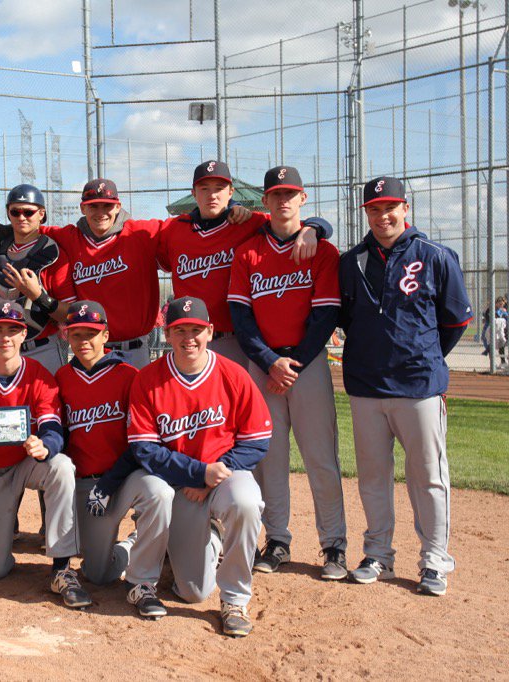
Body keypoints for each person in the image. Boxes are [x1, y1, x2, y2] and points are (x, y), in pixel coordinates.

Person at [95, 296, 271, 637]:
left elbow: (257, 439)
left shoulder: (233, 375)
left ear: (210, 331)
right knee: (193, 592)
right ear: (167, 333)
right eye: (179, 330)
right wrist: (196, 473)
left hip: (223, 476)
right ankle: (187, 543)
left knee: (246, 502)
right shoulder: (149, 380)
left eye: (195, 329)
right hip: (179, 484)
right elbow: (144, 449)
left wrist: (213, 473)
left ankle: (235, 599)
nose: (188, 337)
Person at [338, 176, 472, 597]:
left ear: (406, 208)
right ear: (366, 213)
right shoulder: (351, 260)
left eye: (390, 207)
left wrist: (425, 355)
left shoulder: (435, 256)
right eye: (375, 209)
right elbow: (346, 318)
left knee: (428, 477)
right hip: (365, 386)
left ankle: (434, 560)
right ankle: (378, 553)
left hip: (419, 386)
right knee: (373, 477)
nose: (383, 216)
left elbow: (455, 321)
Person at [227, 166, 347, 580]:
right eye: (275, 195)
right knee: (268, 459)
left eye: (290, 194)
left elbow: (326, 313)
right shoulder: (247, 253)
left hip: (307, 365)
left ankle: (333, 544)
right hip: (263, 368)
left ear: (303, 199)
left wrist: (292, 362)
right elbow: (241, 318)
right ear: (265, 202)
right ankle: (277, 539)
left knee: (321, 458)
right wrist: (268, 362)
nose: (283, 201)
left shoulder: (322, 250)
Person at [0, 301, 91, 609]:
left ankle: (62, 567)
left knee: (61, 466)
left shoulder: (39, 375)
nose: (5, 337)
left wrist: (46, 446)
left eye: (13, 330)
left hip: (26, 464)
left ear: (24, 334)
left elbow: (53, 428)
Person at [56, 300, 173, 619]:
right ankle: (132, 544)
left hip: (124, 478)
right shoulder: (62, 378)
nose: (83, 342)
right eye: (76, 334)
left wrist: (111, 483)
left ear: (105, 335)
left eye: (91, 334)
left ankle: (143, 580)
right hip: (88, 485)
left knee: (159, 491)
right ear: (67, 336)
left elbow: (142, 443)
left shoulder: (129, 375)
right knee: (99, 575)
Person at [0, 180, 163, 369]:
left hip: (134, 348)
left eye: (107, 206)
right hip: (90, 348)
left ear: (118, 207)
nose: (101, 212)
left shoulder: (142, 233)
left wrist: (38, 295)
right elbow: (24, 228)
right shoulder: (68, 237)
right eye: (94, 206)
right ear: (83, 208)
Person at [157, 161, 333, 367]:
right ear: (193, 193)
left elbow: (287, 221)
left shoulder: (248, 223)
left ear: (231, 192)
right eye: (204, 189)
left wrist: (314, 226)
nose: (212, 195)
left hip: (237, 339)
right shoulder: (174, 230)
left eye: (219, 188)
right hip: (191, 337)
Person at [0, 184, 76, 374]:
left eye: (29, 212)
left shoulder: (53, 254)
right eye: (15, 212)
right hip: (4, 351)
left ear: (41, 213)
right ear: (8, 213)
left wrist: (38, 296)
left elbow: (70, 314)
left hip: (43, 348)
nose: (22, 217)